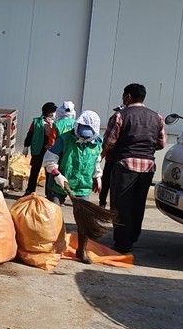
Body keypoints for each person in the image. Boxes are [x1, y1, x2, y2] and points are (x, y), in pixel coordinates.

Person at [101, 83, 167, 254]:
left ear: (128, 97)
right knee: (138, 204)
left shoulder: (120, 116)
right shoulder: (157, 117)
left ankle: (122, 243)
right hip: (148, 167)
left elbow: (109, 142)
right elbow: (161, 143)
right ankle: (131, 238)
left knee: (121, 204)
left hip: (125, 166)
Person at [43, 109, 103, 208]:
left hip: (83, 185)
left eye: (87, 134)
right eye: (82, 132)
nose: (84, 136)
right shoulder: (64, 139)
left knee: (84, 215)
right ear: (77, 126)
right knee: (53, 214)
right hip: (60, 184)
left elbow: (96, 161)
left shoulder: (96, 144)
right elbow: (49, 159)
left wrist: (97, 176)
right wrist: (56, 174)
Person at [23, 101, 58, 195]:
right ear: (47, 112)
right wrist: (26, 145)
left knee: (50, 172)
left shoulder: (57, 123)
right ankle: (30, 190)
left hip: (50, 151)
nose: (54, 113)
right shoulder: (37, 122)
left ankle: (49, 193)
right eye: (52, 111)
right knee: (35, 170)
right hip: (38, 149)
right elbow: (30, 134)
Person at [98, 104, 123, 207]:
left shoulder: (118, 117)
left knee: (107, 182)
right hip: (124, 159)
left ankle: (102, 203)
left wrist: (104, 151)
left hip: (113, 157)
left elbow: (110, 139)